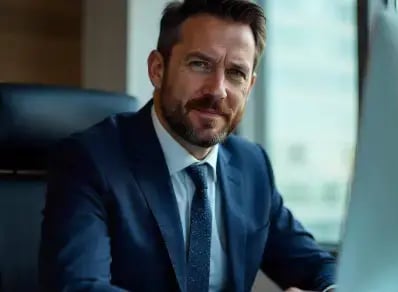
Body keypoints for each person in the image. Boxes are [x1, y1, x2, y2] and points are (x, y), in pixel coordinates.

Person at [38, 0, 336, 291]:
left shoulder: (252, 165)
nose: (217, 90)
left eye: (235, 73)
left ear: (250, 86)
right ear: (157, 69)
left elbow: (315, 264)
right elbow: (79, 286)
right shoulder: (90, 160)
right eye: (200, 64)